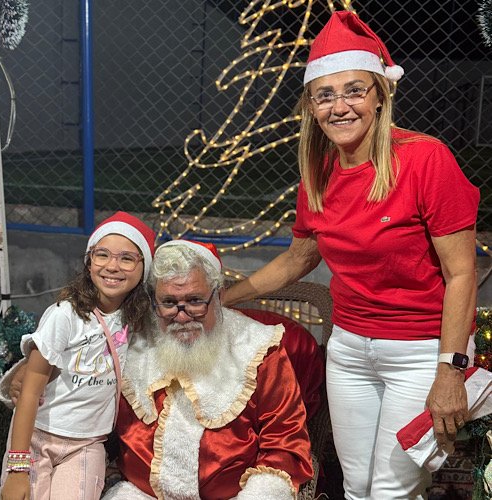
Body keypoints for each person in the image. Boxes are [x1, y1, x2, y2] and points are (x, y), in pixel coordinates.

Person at [223, 10, 480, 500]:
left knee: (392, 491)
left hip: (419, 352)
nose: (339, 107)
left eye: (354, 90)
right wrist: (222, 298)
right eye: (325, 94)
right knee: (357, 487)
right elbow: (298, 258)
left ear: (380, 95)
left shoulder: (425, 160)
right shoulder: (319, 171)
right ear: (311, 106)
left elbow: (462, 273)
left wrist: (451, 370)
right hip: (349, 350)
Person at [102, 239, 313, 499]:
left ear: (219, 295)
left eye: (195, 301)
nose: (181, 316)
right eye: (168, 302)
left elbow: (284, 445)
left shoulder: (259, 349)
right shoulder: (133, 343)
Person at [0, 211, 156, 500]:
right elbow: (29, 391)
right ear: (89, 261)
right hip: (37, 437)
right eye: (102, 255)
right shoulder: (65, 315)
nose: (112, 266)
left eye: (127, 258)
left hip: (86, 445)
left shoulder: (139, 319)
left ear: (144, 268)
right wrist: (18, 467)